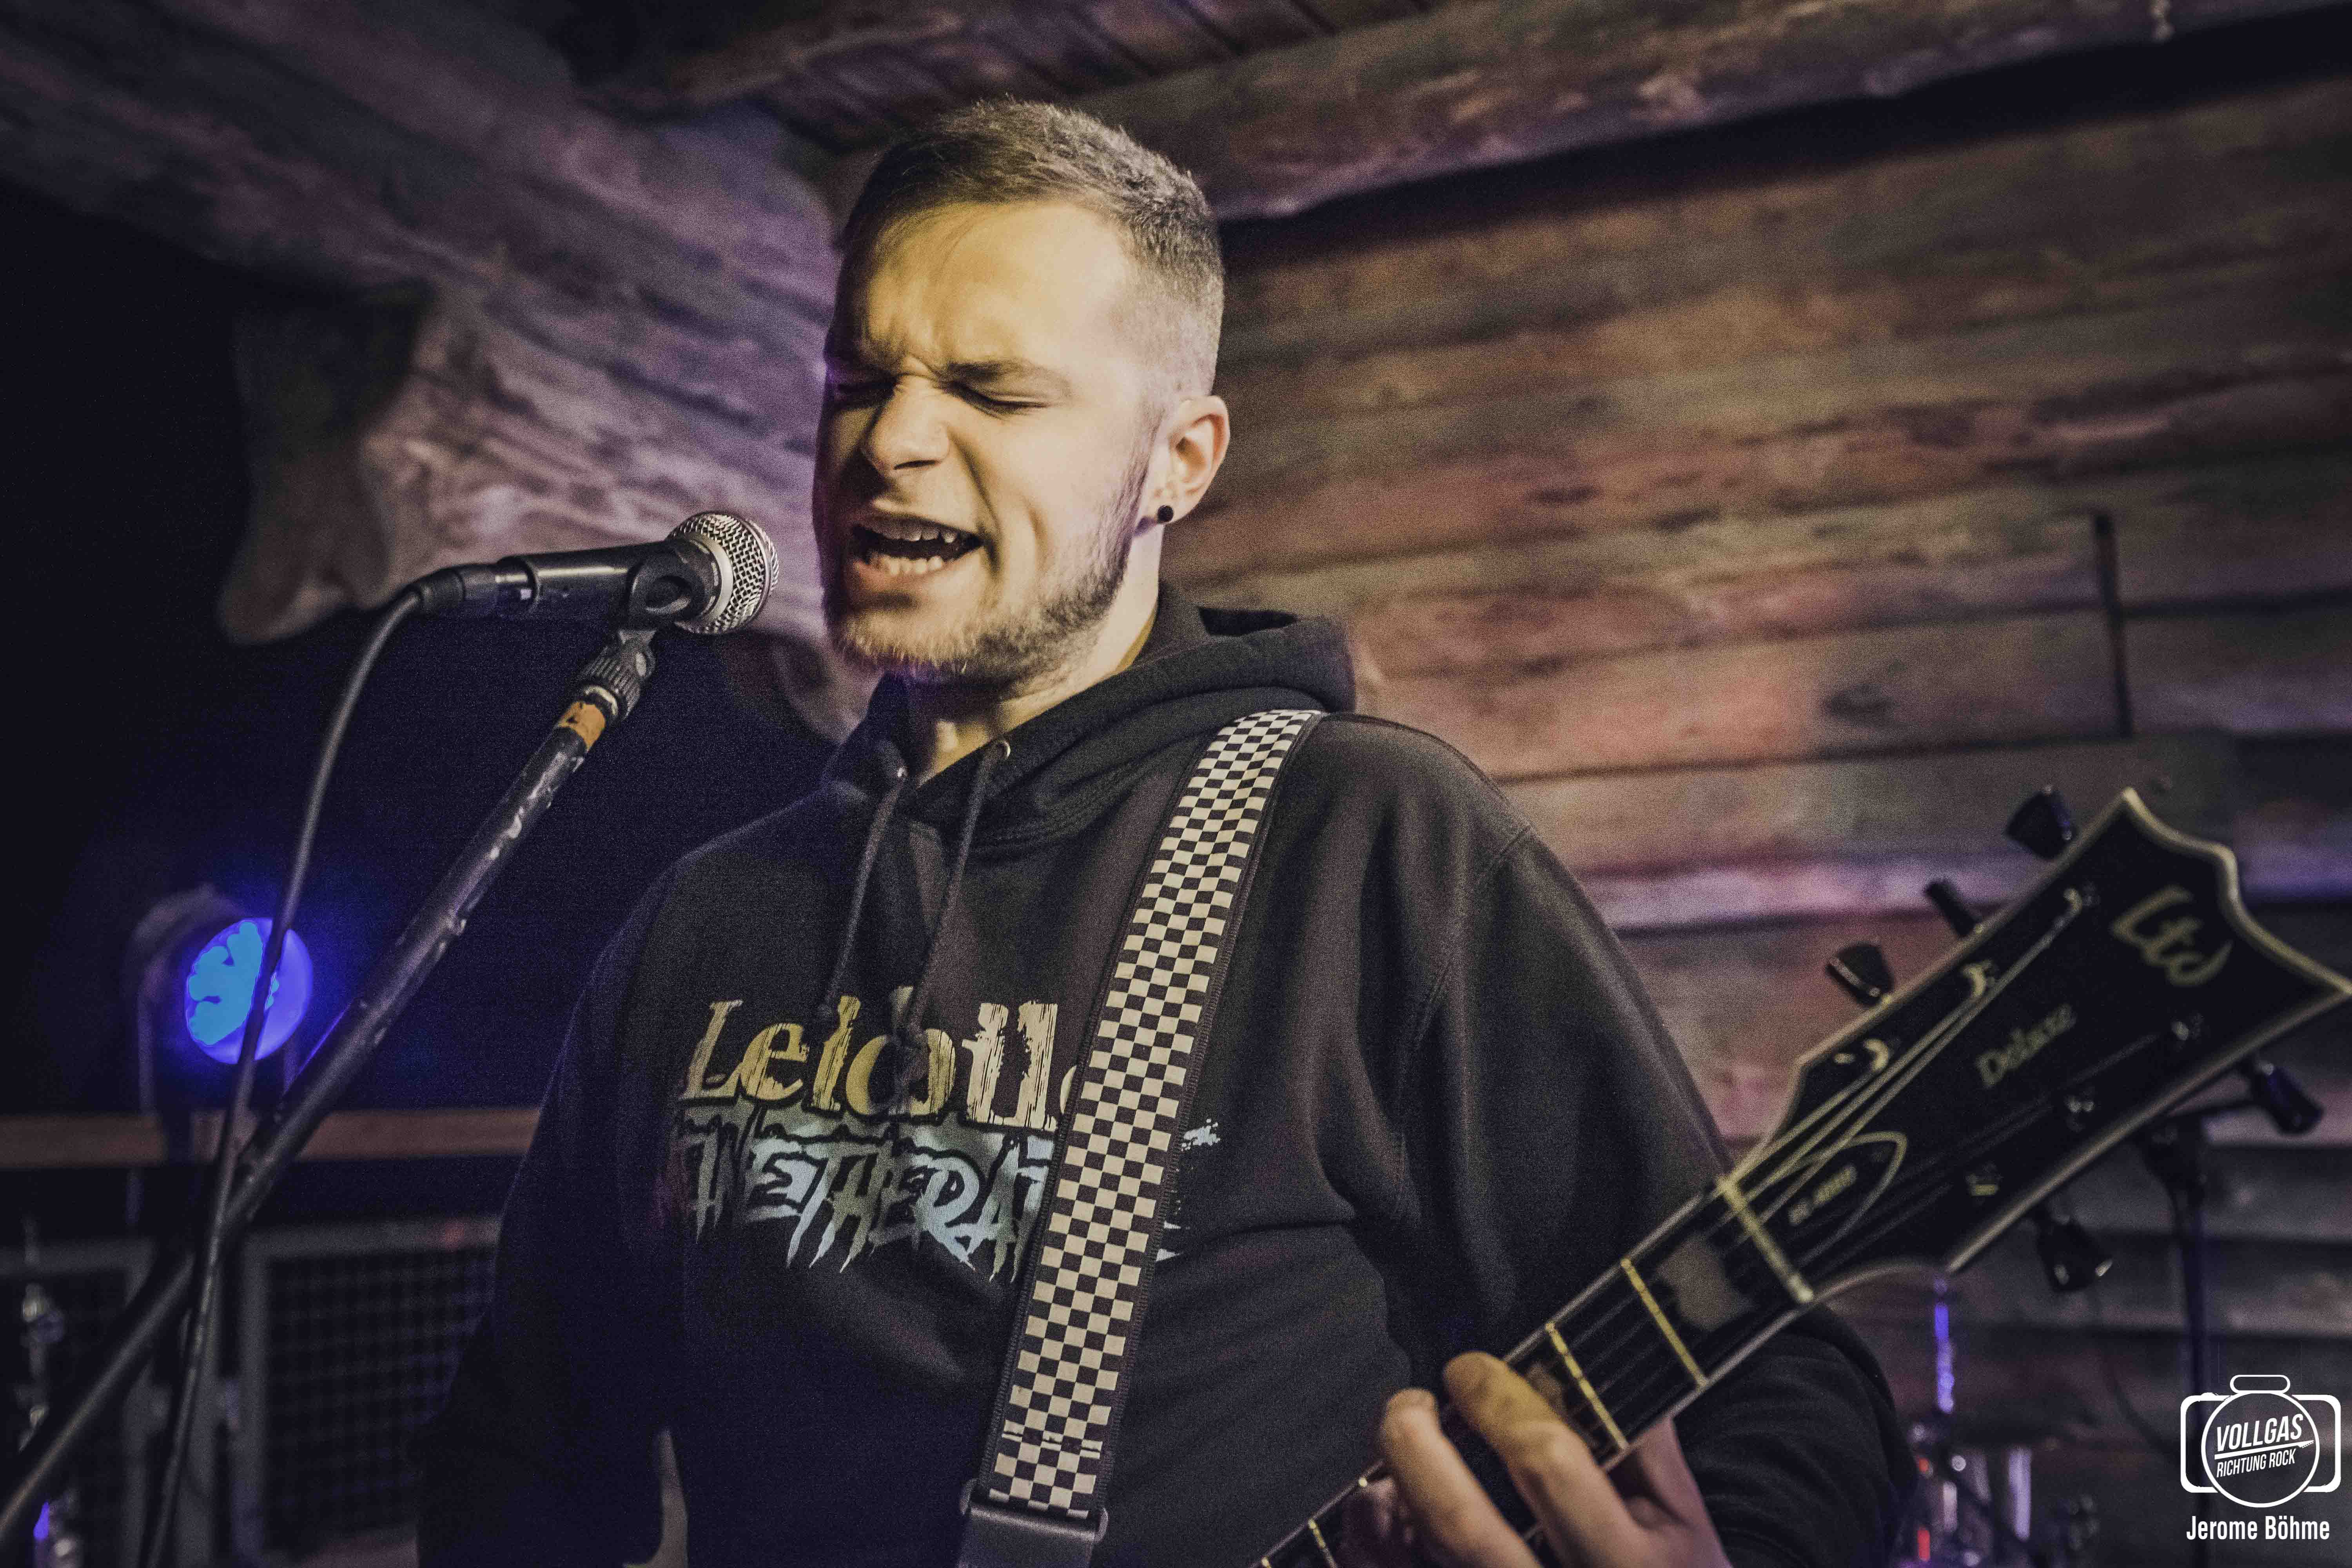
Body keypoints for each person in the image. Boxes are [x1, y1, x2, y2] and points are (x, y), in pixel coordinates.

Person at [419, 101, 1910, 1568]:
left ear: (1179, 462)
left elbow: (1785, 1404)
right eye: (858, 381)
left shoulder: (1369, 848)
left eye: (994, 393)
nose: (892, 442)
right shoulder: (707, 920)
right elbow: (526, 1452)